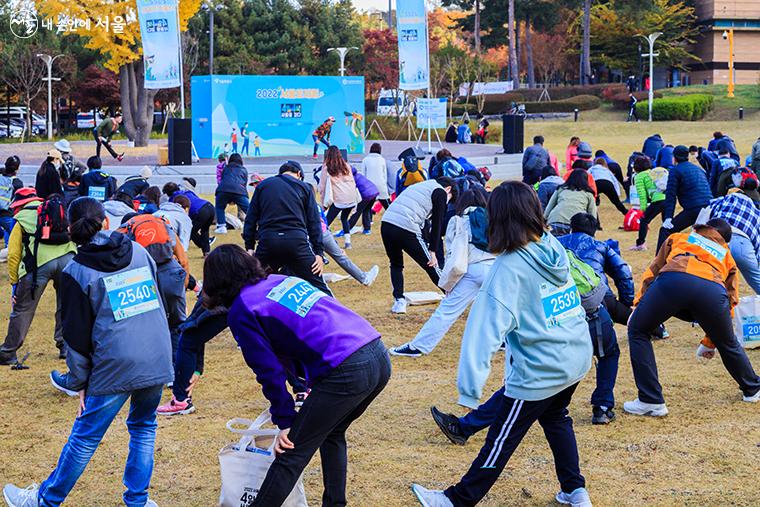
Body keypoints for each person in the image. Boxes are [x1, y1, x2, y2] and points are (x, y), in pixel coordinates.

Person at [411, 181, 593, 507]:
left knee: (501, 439)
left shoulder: (508, 269)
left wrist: (469, 389)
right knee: (556, 418)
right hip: (576, 354)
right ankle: (574, 489)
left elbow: (483, 333)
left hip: (543, 369)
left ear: (498, 218)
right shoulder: (550, 245)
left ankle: (456, 500)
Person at [3, 197, 171, 507]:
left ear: (69, 230)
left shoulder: (76, 271)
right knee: (144, 427)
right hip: (157, 355)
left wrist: (79, 382)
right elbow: (156, 300)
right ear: (106, 221)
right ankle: (138, 500)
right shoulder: (138, 251)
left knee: (85, 436)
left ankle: (45, 500)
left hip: (114, 365)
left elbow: (75, 337)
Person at [201, 244, 391, 507]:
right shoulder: (281, 280)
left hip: (347, 368)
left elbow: (268, 372)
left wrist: (285, 421)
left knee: (291, 452)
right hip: (377, 353)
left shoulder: (243, 308)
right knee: (333, 433)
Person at [625, 219, 760, 417]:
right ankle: (753, 388)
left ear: (700, 229)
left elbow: (653, 271)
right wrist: (710, 341)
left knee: (638, 330)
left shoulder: (679, 237)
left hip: (673, 283)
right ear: (725, 242)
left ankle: (650, 399)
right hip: (712, 292)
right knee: (728, 342)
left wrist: (639, 307)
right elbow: (731, 298)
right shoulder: (726, 254)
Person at [390, 190, 495, 357]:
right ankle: (505, 341)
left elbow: (454, 256)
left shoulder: (458, 220)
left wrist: (449, 283)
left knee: (447, 311)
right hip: (495, 268)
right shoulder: (494, 218)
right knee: (503, 308)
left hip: (471, 270)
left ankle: (419, 346)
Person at [0, 189, 76, 365]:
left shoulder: (21, 218)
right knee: (65, 306)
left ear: (19, 204)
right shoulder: (58, 210)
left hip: (37, 266)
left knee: (23, 309)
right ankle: (65, 347)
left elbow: (13, 254)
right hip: (67, 261)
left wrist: (14, 281)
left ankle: (8, 352)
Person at [243, 161, 331, 295]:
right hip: (296, 242)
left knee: (249, 282)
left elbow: (250, 218)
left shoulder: (263, 186)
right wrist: (319, 253)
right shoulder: (304, 188)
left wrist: (249, 247)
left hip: (268, 242)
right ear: (299, 174)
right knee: (319, 286)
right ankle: (338, 313)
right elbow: (314, 222)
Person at [381, 177, 455, 314]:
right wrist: (433, 251)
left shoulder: (422, 186)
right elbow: (437, 225)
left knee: (396, 264)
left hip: (386, 223)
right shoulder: (440, 192)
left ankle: (399, 301)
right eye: (450, 199)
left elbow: (425, 223)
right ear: (448, 189)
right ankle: (453, 295)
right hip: (406, 227)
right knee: (431, 264)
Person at [558, 212, 634, 326]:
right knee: (627, 316)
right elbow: (623, 272)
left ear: (571, 227)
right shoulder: (601, 246)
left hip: (565, 298)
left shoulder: (556, 243)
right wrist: (625, 302)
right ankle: (659, 329)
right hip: (598, 295)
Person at [658, 145, 712, 251]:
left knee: (665, 231)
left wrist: (668, 217)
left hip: (694, 208)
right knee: (701, 237)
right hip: (709, 207)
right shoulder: (698, 169)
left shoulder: (675, 171)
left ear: (674, 158)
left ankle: (659, 264)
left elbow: (671, 195)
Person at [707, 189, 760, 294]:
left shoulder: (722, 201)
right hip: (742, 246)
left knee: (707, 278)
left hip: (716, 241)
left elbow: (702, 220)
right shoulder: (756, 213)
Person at [163, 180, 216, 256]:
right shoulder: (187, 192)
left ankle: (178, 254)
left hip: (201, 212)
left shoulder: (174, 199)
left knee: (189, 232)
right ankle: (206, 253)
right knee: (204, 230)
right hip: (209, 206)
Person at [318, 147, 358, 247]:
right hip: (350, 198)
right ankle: (348, 242)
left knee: (326, 222)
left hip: (339, 199)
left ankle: (322, 243)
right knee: (344, 218)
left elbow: (322, 187)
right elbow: (353, 182)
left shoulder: (327, 167)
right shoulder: (346, 166)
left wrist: (323, 203)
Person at [544, 169, 597, 236]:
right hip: (577, 225)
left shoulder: (561, 189)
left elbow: (548, 209)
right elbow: (592, 215)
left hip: (555, 221)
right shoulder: (588, 193)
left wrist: (544, 220)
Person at [630, 156, 666, 251]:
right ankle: (669, 243)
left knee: (644, 220)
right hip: (668, 198)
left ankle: (640, 244)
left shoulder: (639, 177)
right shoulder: (652, 173)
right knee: (666, 223)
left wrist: (643, 209)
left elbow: (642, 194)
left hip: (658, 200)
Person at [214, 153, 249, 234]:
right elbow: (244, 184)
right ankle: (259, 223)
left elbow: (223, 180)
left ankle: (221, 226)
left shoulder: (226, 168)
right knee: (249, 209)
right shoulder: (244, 169)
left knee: (219, 207)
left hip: (223, 190)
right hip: (240, 191)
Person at [346, 166, 379, 235]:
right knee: (366, 210)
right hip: (374, 192)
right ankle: (367, 229)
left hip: (367, 195)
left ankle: (347, 228)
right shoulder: (359, 175)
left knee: (357, 212)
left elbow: (352, 191)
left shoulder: (352, 179)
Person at [0, 156, 23, 247]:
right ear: (17, 168)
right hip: (7, 213)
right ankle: (8, 249)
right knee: (15, 234)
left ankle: (7, 247)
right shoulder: (17, 183)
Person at [361, 142, 391, 209]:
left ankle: (368, 220)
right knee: (388, 207)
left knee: (367, 208)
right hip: (381, 186)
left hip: (369, 187)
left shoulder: (365, 160)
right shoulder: (382, 160)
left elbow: (363, 176)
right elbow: (385, 176)